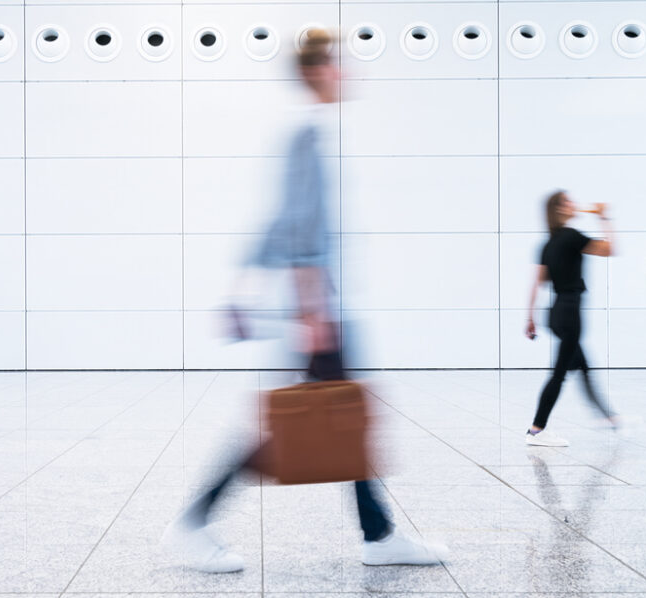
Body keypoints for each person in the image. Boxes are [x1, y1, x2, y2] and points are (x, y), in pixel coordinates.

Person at [162, 29, 448, 574]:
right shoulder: (308, 137)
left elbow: (275, 225)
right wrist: (312, 309)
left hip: (315, 305)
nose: (348, 71)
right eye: (340, 62)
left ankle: (376, 533)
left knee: (342, 414)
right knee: (321, 418)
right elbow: (294, 229)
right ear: (318, 70)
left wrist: (246, 288)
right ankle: (194, 523)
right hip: (313, 308)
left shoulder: (313, 134)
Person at [524, 192, 619, 447]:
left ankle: (609, 417)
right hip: (569, 310)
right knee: (559, 373)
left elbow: (538, 283)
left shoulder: (548, 244)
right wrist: (604, 218)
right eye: (567, 202)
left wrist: (530, 318)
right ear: (558, 210)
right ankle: (536, 430)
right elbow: (610, 249)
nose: (574, 204)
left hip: (555, 312)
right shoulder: (571, 236)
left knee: (583, 366)